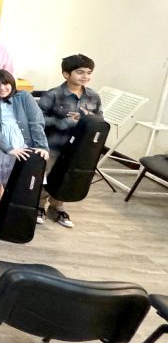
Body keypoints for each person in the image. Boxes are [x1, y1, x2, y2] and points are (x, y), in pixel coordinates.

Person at [36, 54, 103, 228]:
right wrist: (62, 122)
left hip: (78, 148)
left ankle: (57, 207)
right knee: (47, 175)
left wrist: (88, 118)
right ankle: (39, 205)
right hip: (54, 144)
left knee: (66, 177)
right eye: (80, 72)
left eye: (88, 72)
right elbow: (38, 119)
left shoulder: (93, 96)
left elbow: (100, 119)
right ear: (66, 74)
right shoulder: (53, 95)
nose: (85, 76)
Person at [0, 70, 49, 227]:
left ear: (12, 83)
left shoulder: (24, 97)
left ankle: (14, 209)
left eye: (5, 83)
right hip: (0, 146)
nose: (2, 88)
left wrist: (42, 146)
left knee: (19, 179)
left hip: (24, 143)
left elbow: (36, 121)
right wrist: (8, 148)